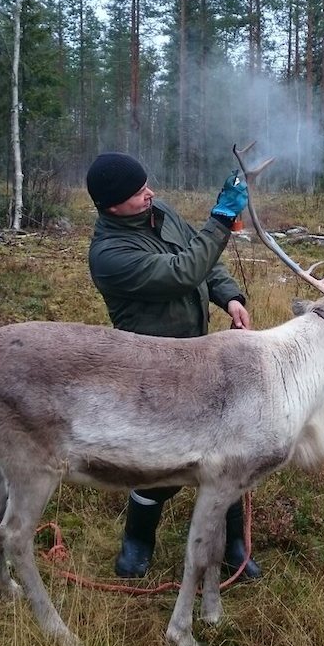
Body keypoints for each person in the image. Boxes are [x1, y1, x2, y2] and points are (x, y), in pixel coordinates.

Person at [85, 150, 262, 581]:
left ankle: (233, 547)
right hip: (153, 367)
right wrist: (221, 219)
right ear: (112, 205)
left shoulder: (158, 211)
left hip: (201, 355)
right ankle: (137, 545)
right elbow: (184, 271)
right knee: (160, 460)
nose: (151, 193)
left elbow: (206, 264)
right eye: (138, 191)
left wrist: (230, 297)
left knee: (227, 451)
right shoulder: (109, 255)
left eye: (146, 184)